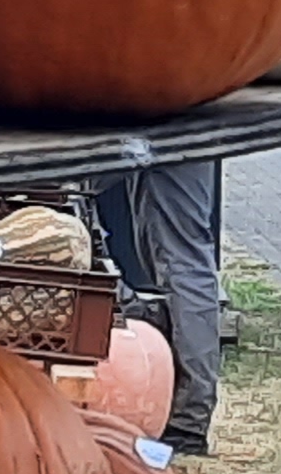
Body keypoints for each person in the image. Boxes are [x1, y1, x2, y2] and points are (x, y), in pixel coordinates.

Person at [94, 161, 225, 454]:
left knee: (180, 258)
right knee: (174, 249)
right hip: (183, 136)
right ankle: (184, 408)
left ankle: (188, 418)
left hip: (161, 136)